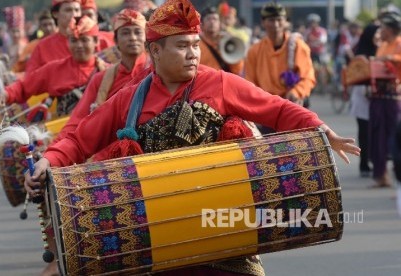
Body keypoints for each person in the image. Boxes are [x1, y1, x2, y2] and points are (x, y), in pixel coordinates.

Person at [25, 0, 360, 274]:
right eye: (182, 46)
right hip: (160, 234)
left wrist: (323, 130)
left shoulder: (219, 82)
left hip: (224, 229)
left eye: (196, 45)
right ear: (155, 52)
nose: (193, 53)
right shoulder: (129, 98)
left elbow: (278, 109)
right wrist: (47, 161)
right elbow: (80, 139)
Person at [54, 8, 149, 142]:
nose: (132, 38)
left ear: (146, 37)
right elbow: (76, 121)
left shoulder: (156, 72)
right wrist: (52, 155)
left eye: (138, 32)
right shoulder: (101, 79)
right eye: (126, 33)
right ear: (115, 40)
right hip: (107, 151)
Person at [3, 15, 106, 118]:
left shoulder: (108, 72)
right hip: (64, 131)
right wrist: (6, 94)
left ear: (96, 41)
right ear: (68, 42)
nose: (79, 45)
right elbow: (25, 86)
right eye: (74, 40)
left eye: (84, 40)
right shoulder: (55, 69)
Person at [245, 2, 315, 109]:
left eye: (279, 20)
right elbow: (250, 84)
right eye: (271, 20)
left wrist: (296, 91)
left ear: (286, 22)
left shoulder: (298, 46)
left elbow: (308, 77)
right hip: (267, 108)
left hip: (292, 105)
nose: (276, 24)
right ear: (263, 22)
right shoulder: (254, 50)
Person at [369, 11, 401, 188]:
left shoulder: (398, 44)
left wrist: (390, 58)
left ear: (391, 29)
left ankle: (396, 179)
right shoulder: (382, 45)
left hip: (393, 97)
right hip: (377, 96)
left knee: (394, 138)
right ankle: (381, 176)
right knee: (377, 136)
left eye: (383, 27)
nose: (380, 30)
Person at [348, 23, 379, 177]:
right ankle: (364, 164)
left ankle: (377, 161)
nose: (379, 38)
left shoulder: (383, 50)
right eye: (376, 35)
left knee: (377, 131)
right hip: (362, 95)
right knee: (364, 131)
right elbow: (355, 75)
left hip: (378, 95)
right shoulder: (360, 54)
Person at [25, 0, 81, 75]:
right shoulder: (42, 47)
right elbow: (30, 78)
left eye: (77, 10)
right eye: (68, 10)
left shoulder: (91, 42)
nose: (74, 14)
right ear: (55, 14)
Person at [199, 6, 244, 75]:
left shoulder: (227, 39)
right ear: (201, 25)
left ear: (220, 24)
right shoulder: (196, 44)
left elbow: (237, 69)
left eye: (215, 19)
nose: (212, 22)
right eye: (208, 19)